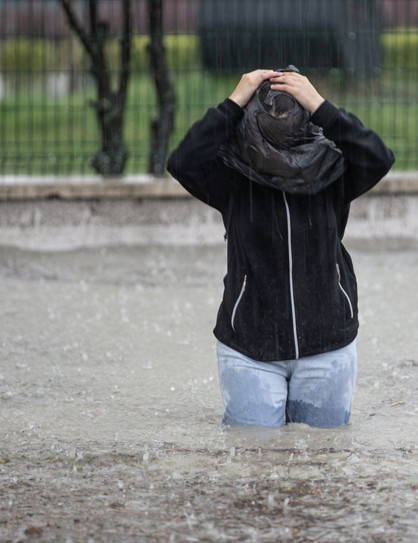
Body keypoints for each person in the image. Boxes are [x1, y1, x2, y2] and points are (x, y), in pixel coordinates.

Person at [167, 66, 394, 428]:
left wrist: (321, 105)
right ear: (252, 114)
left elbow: (379, 156)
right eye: (269, 108)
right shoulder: (233, 174)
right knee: (254, 461)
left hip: (328, 346)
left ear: (307, 117)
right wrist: (233, 101)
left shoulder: (332, 168)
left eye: (290, 108)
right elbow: (182, 161)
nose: (279, 116)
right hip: (249, 349)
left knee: (323, 461)